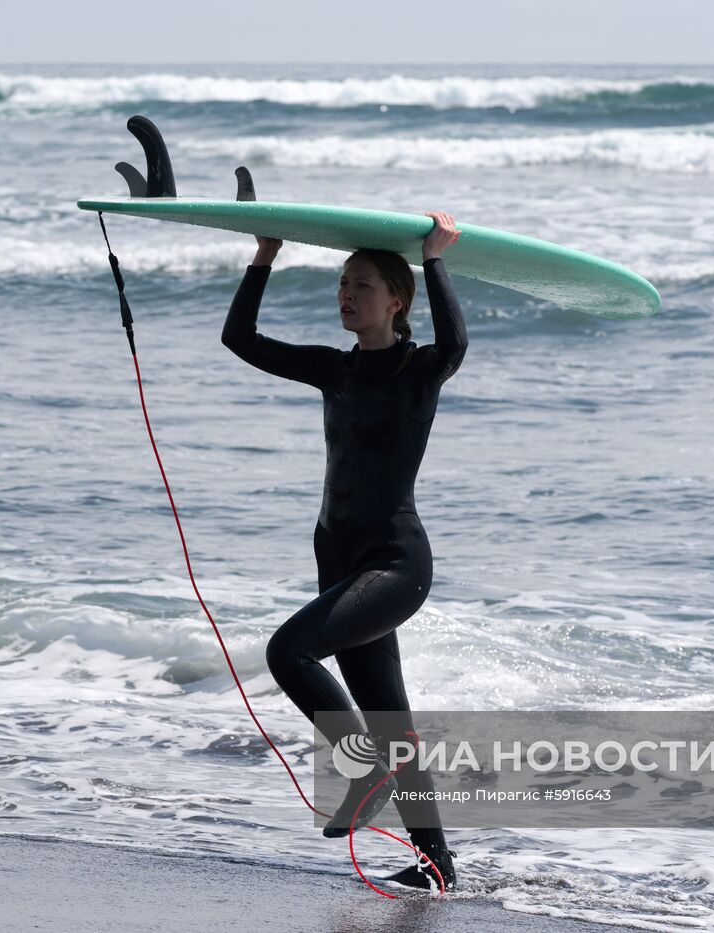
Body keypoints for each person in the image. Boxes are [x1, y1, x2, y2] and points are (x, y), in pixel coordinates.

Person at [220, 212, 468, 891]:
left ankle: (364, 771)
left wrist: (435, 259)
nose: (345, 294)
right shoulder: (334, 369)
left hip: (394, 563)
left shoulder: (420, 371)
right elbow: (237, 337)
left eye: (360, 285)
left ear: (396, 299)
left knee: (288, 651)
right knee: (391, 718)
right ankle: (437, 861)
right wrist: (263, 258)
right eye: (340, 284)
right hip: (341, 561)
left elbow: (457, 340)